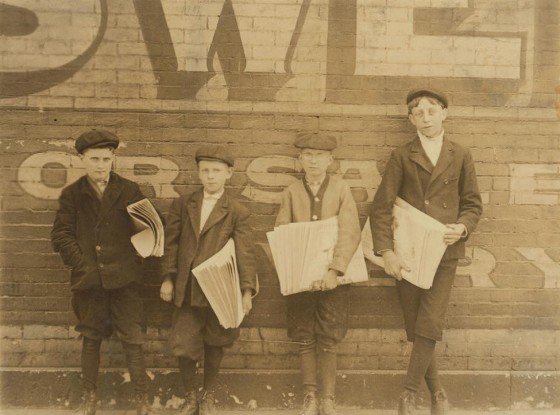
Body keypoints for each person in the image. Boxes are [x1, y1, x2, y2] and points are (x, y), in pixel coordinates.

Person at [370, 88, 483, 415]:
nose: (426, 117)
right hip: (407, 252)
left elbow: (473, 203)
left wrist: (461, 227)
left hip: (444, 254)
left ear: (444, 114)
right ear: (410, 119)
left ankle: (408, 395)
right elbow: (381, 207)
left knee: (430, 320)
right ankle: (438, 395)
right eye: (418, 113)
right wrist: (386, 252)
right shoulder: (402, 155)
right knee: (416, 323)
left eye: (432, 111)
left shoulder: (460, 154)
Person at [51, 129, 154, 415]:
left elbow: (149, 229)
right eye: (94, 159)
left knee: (133, 340)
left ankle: (141, 401)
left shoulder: (129, 190)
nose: (100, 165)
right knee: (91, 339)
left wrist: (135, 258)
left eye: (106, 159)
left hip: (124, 280)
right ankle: (89, 399)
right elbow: (60, 235)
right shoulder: (72, 195)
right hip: (90, 281)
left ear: (113, 159)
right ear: (82, 159)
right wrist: (82, 263)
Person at [159, 145, 257, 415]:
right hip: (188, 288)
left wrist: (245, 292)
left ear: (229, 174)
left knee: (216, 341)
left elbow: (245, 253)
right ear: (198, 173)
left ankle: (208, 395)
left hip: (220, 289)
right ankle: (191, 396)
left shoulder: (238, 211)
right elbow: (171, 244)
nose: (210, 176)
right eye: (205, 171)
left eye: (216, 171)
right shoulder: (183, 204)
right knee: (184, 344)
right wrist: (168, 279)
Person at [275, 132, 361, 415]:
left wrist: (335, 270)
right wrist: (296, 272)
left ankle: (328, 398)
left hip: (332, 279)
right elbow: (283, 233)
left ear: (330, 160)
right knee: (305, 336)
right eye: (308, 155)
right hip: (302, 279)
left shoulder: (340, 189)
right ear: (300, 159)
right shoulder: (291, 191)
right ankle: (310, 397)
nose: (313, 161)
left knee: (328, 337)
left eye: (319, 155)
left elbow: (349, 232)